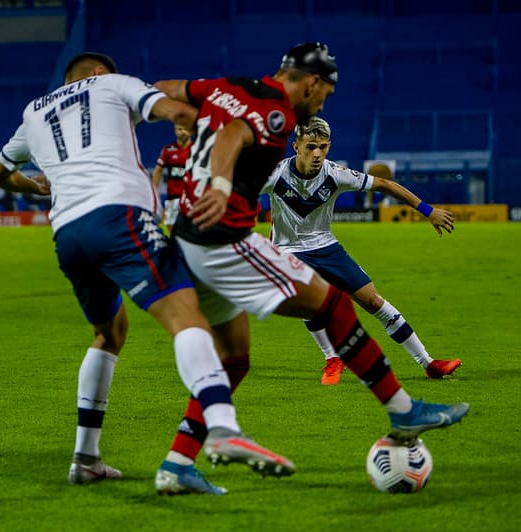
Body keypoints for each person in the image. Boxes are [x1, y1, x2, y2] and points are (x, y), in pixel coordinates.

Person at [153, 42, 469, 495]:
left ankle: (180, 461)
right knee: (335, 307)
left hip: (187, 237)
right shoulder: (277, 113)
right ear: (313, 81)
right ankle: (402, 408)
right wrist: (222, 183)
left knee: (236, 359)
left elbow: (169, 91)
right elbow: (232, 137)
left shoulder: (229, 87)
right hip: (223, 236)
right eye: (324, 96)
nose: (321, 105)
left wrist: (158, 110)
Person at [0, 51, 293, 492]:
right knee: (187, 314)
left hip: (68, 235)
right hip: (118, 217)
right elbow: (178, 110)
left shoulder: (33, 112)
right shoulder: (112, 83)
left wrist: (36, 188)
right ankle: (224, 427)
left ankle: (86, 459)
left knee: (108, 334)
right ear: (96, 73)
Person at [261, 117, 462, 385]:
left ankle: (429, 363)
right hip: (288, 250)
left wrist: (428, 210)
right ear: (296, 146)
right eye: (310, 147)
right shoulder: (274, 175)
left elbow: (385, 184)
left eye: (322, 146)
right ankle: (332, 359)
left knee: (373, 301)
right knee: (309, 299)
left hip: (325, 246)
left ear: (329, 146)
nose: (317, 153)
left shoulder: (335, 174)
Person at [151, 124, 192, 234]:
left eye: (185, 129)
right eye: (180, 129)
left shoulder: (196, 150)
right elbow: (158, 170)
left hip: (190, 199)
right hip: (173, 199)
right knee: (166, 231)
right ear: (175, 131)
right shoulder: (168, 150)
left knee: (192, 230)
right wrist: (154, 191)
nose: (183, 132)